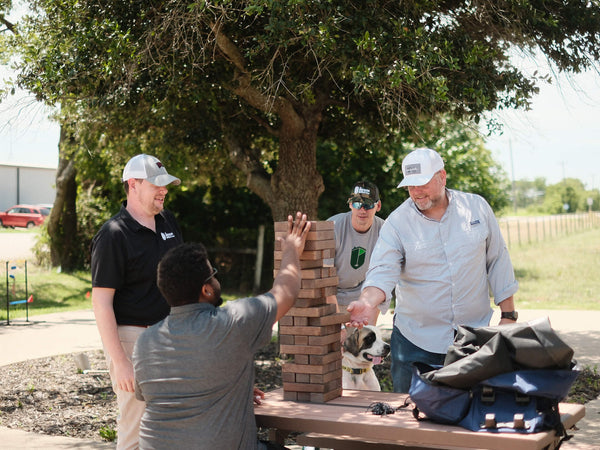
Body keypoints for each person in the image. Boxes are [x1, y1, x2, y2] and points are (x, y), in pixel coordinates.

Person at [132, 212, 311, 450]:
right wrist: (291, 248)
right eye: (213, 273)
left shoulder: (145, 342)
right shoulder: (233, 322)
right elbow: (285, 292)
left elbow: (171, 392)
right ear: (206, 290)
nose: (217, 277)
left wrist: (234, 387)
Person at [347, 148, 519, 393]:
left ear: (442, 177)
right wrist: (367, 301)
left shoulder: (476, 208)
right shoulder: (397, 223)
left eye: (422, 183)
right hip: (415, 345)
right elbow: (382, 271)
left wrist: (509, 316)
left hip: (474, 340)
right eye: (410, 186)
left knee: (470, 422)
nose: (416, 192)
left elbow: (498, 260)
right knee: (411, 423)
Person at [90, 154, 183, 449]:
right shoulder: (113, 234)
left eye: (166, 184)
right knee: (135, 429)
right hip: (134, 340)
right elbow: (101, 302)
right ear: (133, 184)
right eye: (156, 184)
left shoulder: (169, 222)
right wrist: (120, 362)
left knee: (172, 427)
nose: (163, 190)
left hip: (173, 336)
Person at [326, 181, 385, 335]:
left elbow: (383, 277)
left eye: (368, 204)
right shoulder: (333, 227)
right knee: (335, 349)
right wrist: (338, 325)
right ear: (350, 205)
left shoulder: (385, 231)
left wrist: (367, 307)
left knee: (364, 347)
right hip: (333, 298)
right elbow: (324, 280)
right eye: (357, 204)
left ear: (378, 206)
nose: (362, 209)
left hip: (364, 297)